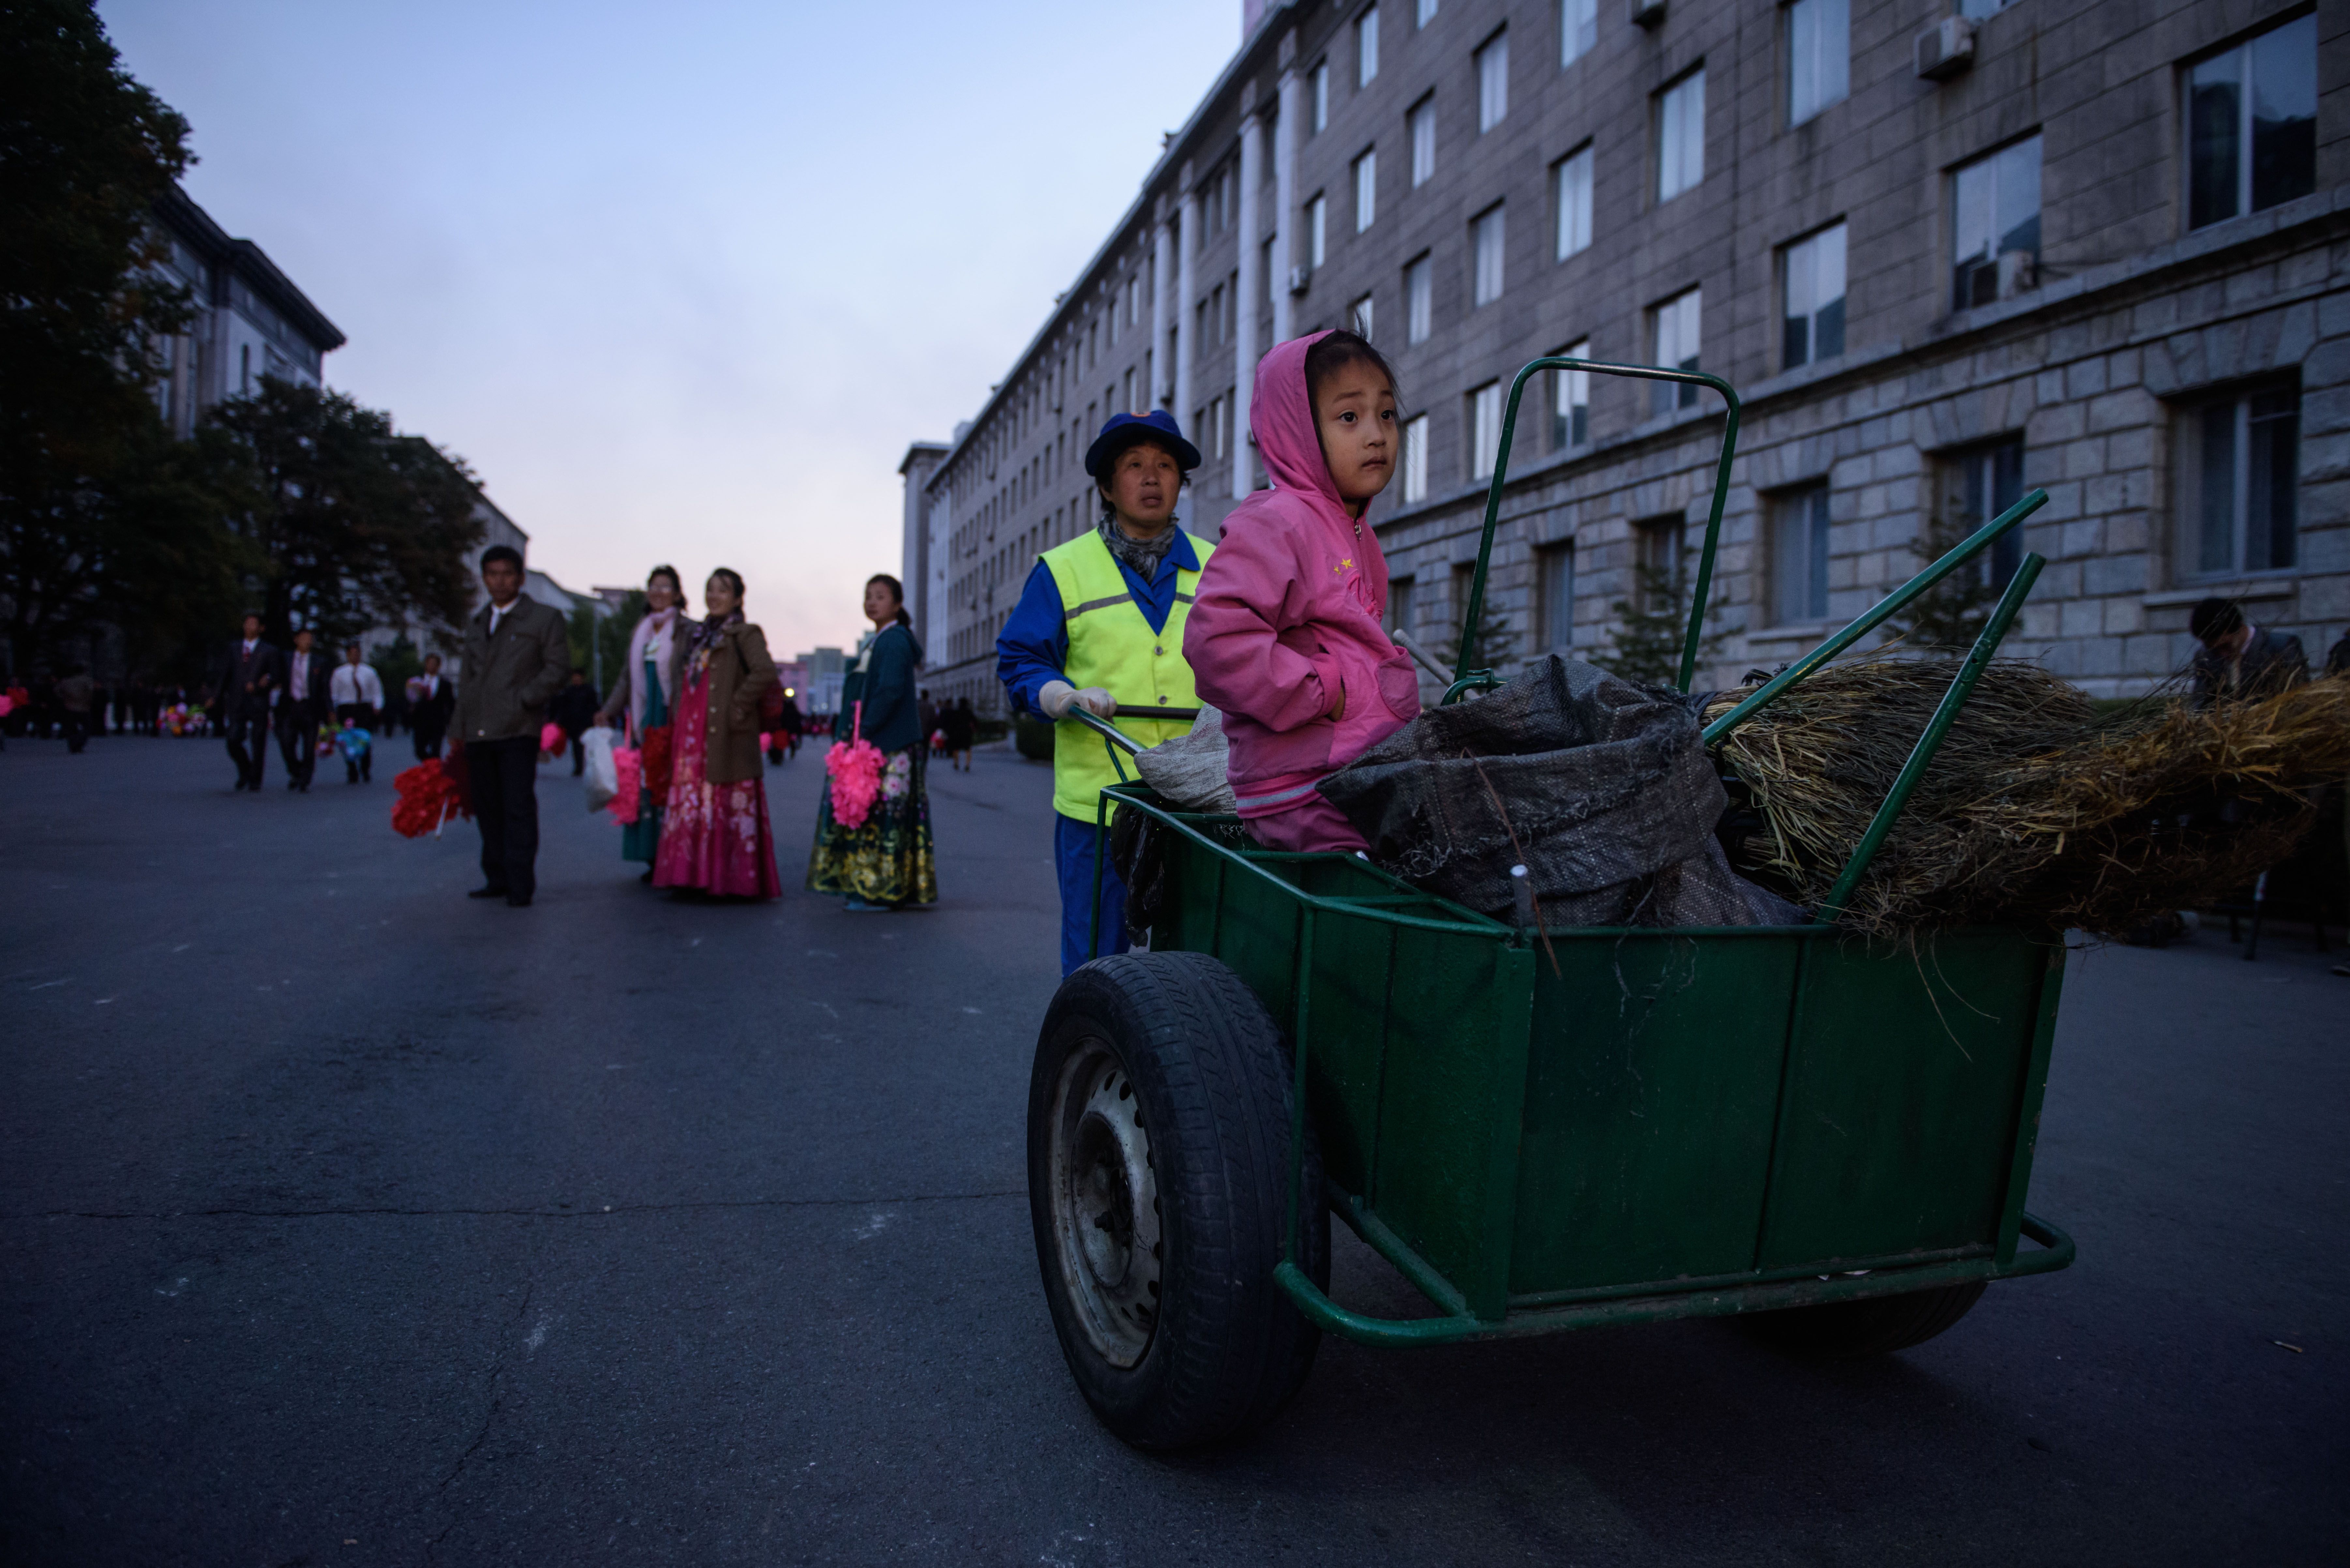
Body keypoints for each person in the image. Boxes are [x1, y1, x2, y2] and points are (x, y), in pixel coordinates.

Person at [1187, 330, 1422, 854]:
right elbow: (1215, 641)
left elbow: (1345, 641)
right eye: (1349, 417)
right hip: (1305, 788)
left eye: (1386, 414)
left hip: (1347, 772)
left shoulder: (1355, 531)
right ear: (1297, 431)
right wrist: (1325, 692)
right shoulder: (1278, 521)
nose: (1376, 435)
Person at [996, 411, 1213, 970]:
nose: (1151, 477)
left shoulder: (1220, 568)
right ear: (1107, 487)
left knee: (1202, 961)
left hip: (1202, 801)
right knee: (1095, 960)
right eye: (1134, 465)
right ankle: (1091, 1032)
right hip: (1100, 804)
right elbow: (1021, 659)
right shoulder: (1062, 570)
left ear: (1180, 483)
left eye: (1165, 466)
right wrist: (1057, 694)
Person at [452, 544, 570, 907]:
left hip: (519, 728)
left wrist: (524, 699)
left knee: (517, 806)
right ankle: (497, 878)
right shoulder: (478, 622)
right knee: (488, 807)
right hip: (479, 729)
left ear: (520, 578)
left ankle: (520, 884)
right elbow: (467, 680)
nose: (500, 581)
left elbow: (558, 669)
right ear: (484, 578)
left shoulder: (543, 618)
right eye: (492, 574)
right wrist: (457, 730)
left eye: (507, 574)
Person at [652, 568, 781, 898]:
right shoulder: (699, 636)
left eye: (723, 590)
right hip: (692, 734)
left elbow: (765, 671)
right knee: (693, 803)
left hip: (725, 733)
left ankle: (729, 882)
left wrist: (738, 705)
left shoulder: (745, 633)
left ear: (738, 598)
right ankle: (690, 878)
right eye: (710, 590)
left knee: (724, 801)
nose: (714, 596)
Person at [811, 573, 936, 910]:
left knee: (881, 818)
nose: (871, 602)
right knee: (881, 816)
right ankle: (880, 887)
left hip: (887, 745)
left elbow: (890, 690)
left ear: (897, 604)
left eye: (880, 596)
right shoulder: (882, 639)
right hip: (882, 742)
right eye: (868, 596)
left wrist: (863, 732)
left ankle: (878, 890)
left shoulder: (893, 640)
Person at [595, 565, 697, 879]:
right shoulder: (641, 630)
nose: (658, 593)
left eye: (666, 587)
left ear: (678, 594)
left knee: (673, 782)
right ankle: (653, 857)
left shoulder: (688, 630)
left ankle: (676, 857)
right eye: (653, 586)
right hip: (645, 717)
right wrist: (608, 710)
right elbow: (627, 677)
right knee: (648, 785)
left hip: (672, 715)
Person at [212, 614, 282, 791]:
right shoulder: (234, 648)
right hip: (237, 700)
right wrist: (216, 696)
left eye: (254, 624)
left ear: (261, 628)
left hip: (258, 701)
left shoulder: (269, 650)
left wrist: (262, 684)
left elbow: (276, 675)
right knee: (233, 739)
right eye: (247, 623)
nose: (250, 627)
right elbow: (225, 674)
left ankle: (255, 779)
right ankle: (245, 769)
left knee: (258, 741)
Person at [277, 629, 331, 791]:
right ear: (296, 640)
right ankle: (296, 771)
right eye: (304, 638)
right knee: (287, 742)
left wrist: (330, 710)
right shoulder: (285, 658)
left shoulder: (319, 662)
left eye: (310, 639)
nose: (307, 641)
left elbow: (325, 688)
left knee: (309, 746)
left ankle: (305, 778)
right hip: (290, 706)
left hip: (310, 707)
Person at [329, 642, 385, 782]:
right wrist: (332, 711)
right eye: (352, 654)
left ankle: (365, 768)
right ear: (348, 655)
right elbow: (334, 694)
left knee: (365, 739)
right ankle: (352, 768)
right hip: (346, 708)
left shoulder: (369, 672)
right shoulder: (339, 673)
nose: (355, 656)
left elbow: (377, 691)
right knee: (347, 740)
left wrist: (378, 706)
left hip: (364, 708)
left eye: (357, 653)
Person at [551, 668, 600, 776]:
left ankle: (583, 766)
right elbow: (563, 707)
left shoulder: (589, 691)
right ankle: (579, 766)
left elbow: (594, 706)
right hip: (573, 723)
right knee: (576, 745)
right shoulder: (569, 691)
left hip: (585, 723)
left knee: (583, 745)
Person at [409, 655, 455, 760]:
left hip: (438, 723)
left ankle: (433, 767)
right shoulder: (417, 682)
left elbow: (451, 703)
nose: (432, 666)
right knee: (420, 750)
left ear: (439, 666)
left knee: (436, 751)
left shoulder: (445, 684)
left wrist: (450, 721)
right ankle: (429, 764)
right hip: (421, 722)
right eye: (430, 664)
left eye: (434, 664)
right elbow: (412, 699)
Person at [56, 664, 95, 753]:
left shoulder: (66, 681)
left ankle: (73, 745)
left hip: (70, 707)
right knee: (87, 727)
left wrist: (65, 699)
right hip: (83, 707)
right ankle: (79, 743)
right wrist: (88, 701)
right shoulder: (86, 681)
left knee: (71, 728)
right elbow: (90, 693)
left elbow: (57, 691)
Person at [944, 696, 977, 773]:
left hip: (957, 733)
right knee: (968, 749)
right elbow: (975, 721)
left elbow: (952, 723)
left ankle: (956, 763)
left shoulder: (956, 712)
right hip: (967, 733)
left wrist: (950, 732)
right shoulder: (969, 712)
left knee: (956, 749)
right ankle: (967, 765)